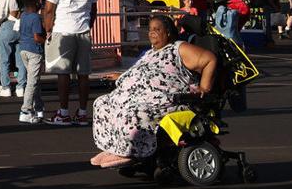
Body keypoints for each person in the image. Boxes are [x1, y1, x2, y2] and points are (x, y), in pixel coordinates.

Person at [89, 14, 218, 169]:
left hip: (170, 99)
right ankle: (114, 147)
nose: (151, 33)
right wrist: (123, 76)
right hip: (141, 95)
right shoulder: (152, 51)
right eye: (150, 29)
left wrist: (204, 87)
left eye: (157, 29)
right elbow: (143, 71)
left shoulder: (179, 48)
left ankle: (129, 150)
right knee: (102, 103)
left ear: (168, 32)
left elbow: (210, 59)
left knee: (132, 112)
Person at [43, 0, 97, 126]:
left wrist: (48, 30)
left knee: (63, 73)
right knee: (83, 74)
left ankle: (64, 112)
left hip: (63, 31)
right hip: (83, 30)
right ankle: (82, 113)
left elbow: (49, 9)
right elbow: (93, 9)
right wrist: (88, 26)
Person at [17, 0, 46, 123]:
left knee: (34, 80)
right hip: (34, 51)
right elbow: (36, 37)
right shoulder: (35, 17)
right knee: (32, 81)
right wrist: (46, 40)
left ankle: (38, 107)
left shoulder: (23, 15)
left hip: (23, 49)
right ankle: (26, 110)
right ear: (36, 2)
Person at [0, 0, 22, 97]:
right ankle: (21, 87)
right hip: (21, 26)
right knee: (20, 59)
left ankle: (6, 87)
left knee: (4, 59)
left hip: (7, 25)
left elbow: (1, 15)